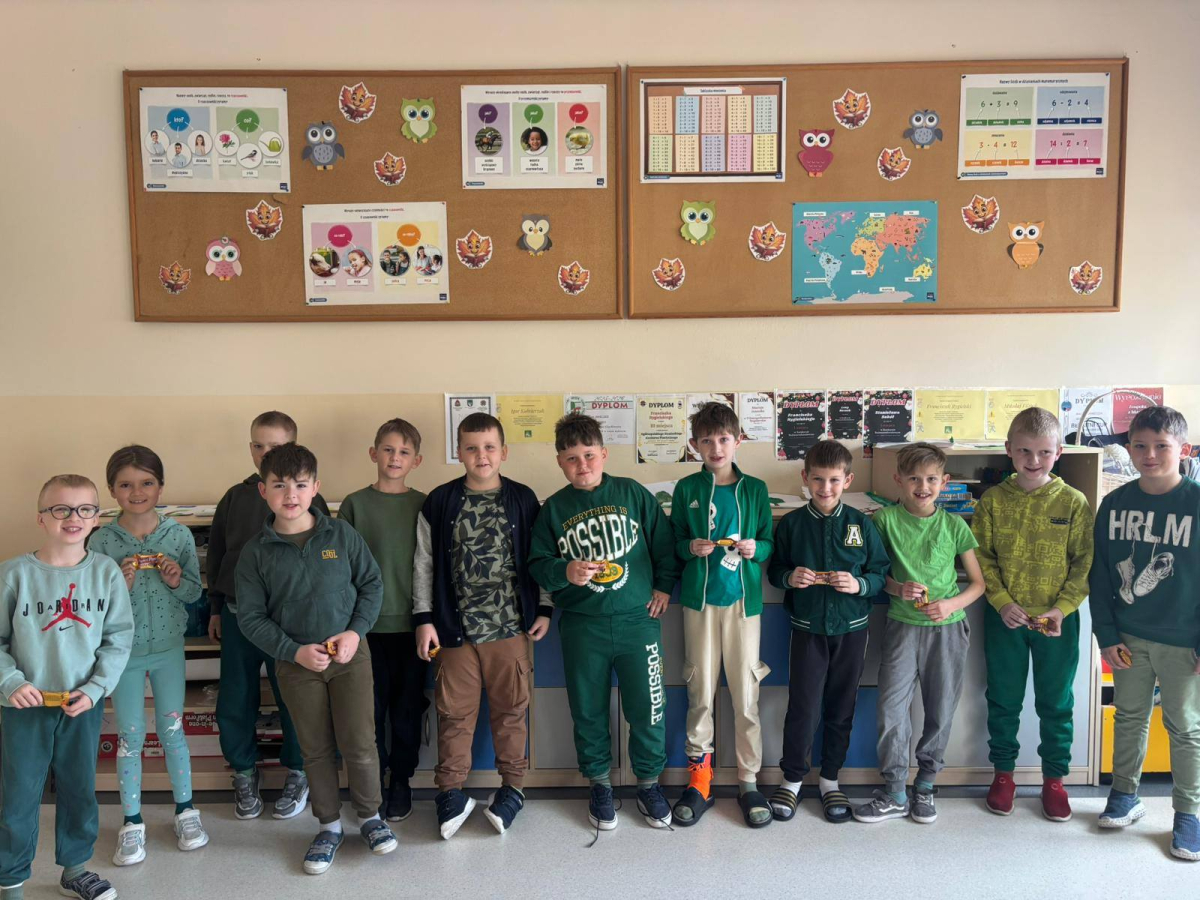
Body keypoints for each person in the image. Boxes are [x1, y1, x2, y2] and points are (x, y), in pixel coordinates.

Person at [236, 443, 394, 875]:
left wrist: (354, 632)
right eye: (279, 485)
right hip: (296, 666)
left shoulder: (340, 535)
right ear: (263, 490)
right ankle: (328, 825)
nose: (291, 494)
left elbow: (372, 585)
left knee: (360, 741)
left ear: (316, 488)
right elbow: (250, 618)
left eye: (301, 485)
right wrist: (294, 651)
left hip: (350, 658)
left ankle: (370, 818)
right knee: (316, 749)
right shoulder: (256, 553)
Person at [529, 413, 680, 832]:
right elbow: (537, 563)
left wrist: (664, 586)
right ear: (560, 462)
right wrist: (564, 571)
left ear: (604, 454)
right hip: (583, 625)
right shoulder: (553, 509)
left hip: (638, 620)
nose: (582, 465)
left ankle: (648, 783)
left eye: (589, 455)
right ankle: (599, 784)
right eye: (572, 458)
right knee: (588, 709)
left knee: (648, 707)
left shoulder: (632, 493)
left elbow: (664, 543)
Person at [414, 412, 549, 838]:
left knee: (511, 712)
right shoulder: (440, 501)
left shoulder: (523, 499)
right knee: (454, 714)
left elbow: (540, 557)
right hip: (453, 630)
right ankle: (450, 792)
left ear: (503, 452)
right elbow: (424, 564)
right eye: (471, 448)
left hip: (510, 628)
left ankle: (513, 788)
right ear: (459, 453)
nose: (481, 455)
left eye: (489, 447)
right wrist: (423, 618)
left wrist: (544, 608)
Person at [0, 475, 133, 900]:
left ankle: (75, 869)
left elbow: (119, 638)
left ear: (96, 518)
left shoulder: (106, 573)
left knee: (79, 790)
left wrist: (96, 688)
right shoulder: (13, 574)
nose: (72, 517)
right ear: (41, 518)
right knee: (18, 796)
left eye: (84, 509)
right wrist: (10, 681)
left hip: (82, 704)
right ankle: (10, 882)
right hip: (24, 706)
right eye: (60, 508)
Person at [852, 443, 984, 825]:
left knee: (940, 709)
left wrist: (951, 604)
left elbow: (978, 584)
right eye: (913, 478)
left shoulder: (955, 526)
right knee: (891, 710)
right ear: (899, 480)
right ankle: (895, 791)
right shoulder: (884, 521)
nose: (922, 487)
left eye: (930, 479)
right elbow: (872, 574)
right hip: (902, 627)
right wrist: (898, 588)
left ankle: (925, 785)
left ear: (944, 482)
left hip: (947, 630)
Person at [972, 407, 1093, 821]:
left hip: (1057, 621)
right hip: (1004, 618)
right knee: (1003, 700)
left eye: (1043, 452)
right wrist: (1002, 602)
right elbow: (982, 559)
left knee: (1056, 702)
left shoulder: (1073, 502)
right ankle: (1003, 774)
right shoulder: (992, 501)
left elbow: (1084, 564)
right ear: (1009, 449)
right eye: (1024, 451)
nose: (1033, 460)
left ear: (1059, 452)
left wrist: (1062, 609)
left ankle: (1054, 780)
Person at [207, 411, 330, 821]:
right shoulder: (235, 497)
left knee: (294, 697)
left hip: (290, 624)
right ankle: (243, 771)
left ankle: (298, 770)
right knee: (235, 697)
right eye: (258, 446)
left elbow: (322, 563)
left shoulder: (309, 499)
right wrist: (215, 608)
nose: (265, 453)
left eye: (274, 447)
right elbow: (218, 554)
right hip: (239, 615)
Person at [1091, 406, 1200, 861]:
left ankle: (1189, 813)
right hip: (1128, 636)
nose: (1149, 454)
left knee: (1185, 727)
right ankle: (1125, 794)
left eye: (1161, 446)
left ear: (1184, 449)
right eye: (1139, 445)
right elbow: (1099, 574)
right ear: (1129, 448)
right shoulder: (1114, 503)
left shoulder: (1196, 502)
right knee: (1130, 716)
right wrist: (1106, 633)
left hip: (1184, 640)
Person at [90, 446, 207, 865]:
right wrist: (117, 586)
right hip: (122, 654)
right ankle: (132, 821)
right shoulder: (101, 540)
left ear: (160, 487)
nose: (136, 492)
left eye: (146, 483)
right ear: (112, 490)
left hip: (168, 649)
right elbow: (93, 607)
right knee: (130, 735)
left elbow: (193, 593)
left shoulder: (178, 536)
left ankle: (186, 810)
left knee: (173, 729)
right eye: (126, 484)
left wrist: (175, 580)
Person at [766, 439, 889, 823]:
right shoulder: (792, 524)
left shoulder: (861, 523)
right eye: (818, 479)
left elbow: (879, 573)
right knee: (803, 707)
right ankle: (791, 780)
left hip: (852, 631)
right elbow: (775, 571)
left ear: (847, 480)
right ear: (806, 478)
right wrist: (790, 577)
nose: (825, 488)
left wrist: (859, 585)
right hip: (808, 630)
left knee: (841, 707)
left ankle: (830, 780)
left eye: (834, 480)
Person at [669, 402, 775, 828]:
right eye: (707, 440)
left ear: (738, 441)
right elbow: (675, 542)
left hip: (743, 606)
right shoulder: (686, 489)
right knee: (700, 692)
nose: (716, 448)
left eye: (724, 439)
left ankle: (749, 781)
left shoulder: (755, 489)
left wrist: (755, 548)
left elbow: (768, 543)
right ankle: (701, 781)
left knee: (746, 695)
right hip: (699, 605)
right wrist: (689, 548)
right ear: (694, 445)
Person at [339, 419, 428, 823]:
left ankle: (402, 780)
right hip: (365, 631)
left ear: (416, 461)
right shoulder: (354, 505)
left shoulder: (424, 504)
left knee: (407, 711)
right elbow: (341, 569)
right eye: (388, 450)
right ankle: (371, 783)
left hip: (413, 629)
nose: (395, 458)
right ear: (374, 453)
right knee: (368, 714)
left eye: (404, 452)